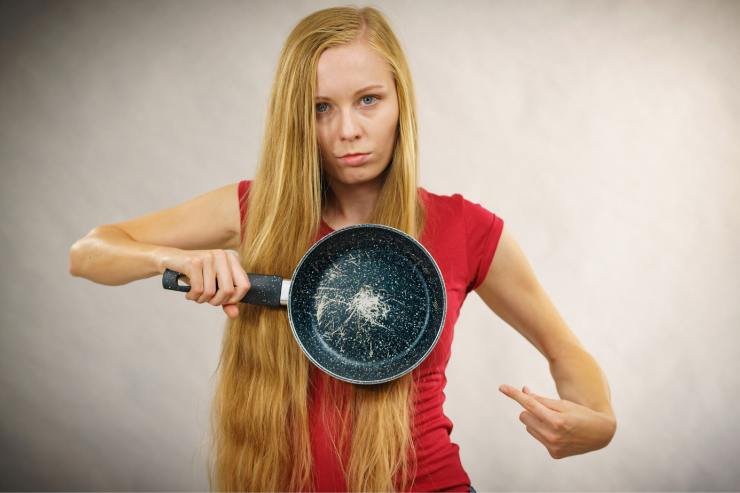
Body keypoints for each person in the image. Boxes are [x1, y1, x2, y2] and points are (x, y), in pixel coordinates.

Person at [68, 6, 617, 492]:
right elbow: (90, 251)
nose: (347, 130)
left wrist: (599, 420)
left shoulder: (466, 228)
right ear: (295, 118)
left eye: (368, 100)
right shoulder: (250, 209)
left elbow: (565, 351)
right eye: (321, 108)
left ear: (401, 100)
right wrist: (173, 260)